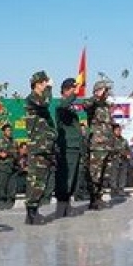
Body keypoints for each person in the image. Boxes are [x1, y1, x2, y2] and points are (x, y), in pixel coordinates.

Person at [24, 71, 57, 224]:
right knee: (35, 180)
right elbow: (45, 102)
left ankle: (34, 211)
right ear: (38, 84)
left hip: (45, 146)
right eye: (44, 82)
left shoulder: (40, 99)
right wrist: (49, 88)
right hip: (37, 146)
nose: (47, 84)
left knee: (41, 181)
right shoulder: (32, 98)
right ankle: (31, 212)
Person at [82, 80, 114, 209]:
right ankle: (93, 199)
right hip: (97, 146)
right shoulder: (92, 104)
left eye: (107, 91)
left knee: (104, 175)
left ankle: (99, 198)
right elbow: (85, 105)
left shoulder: (106, 106)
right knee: (95, 174)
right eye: (105, 90)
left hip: (107, 146)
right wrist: (97, 96)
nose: (107, 93)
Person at [54, 78, 84, 217]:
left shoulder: (69, 106)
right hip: (67, 147)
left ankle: (67, 205)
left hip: (75, 147)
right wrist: (74, 95)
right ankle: (61, 207)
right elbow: (64, 105)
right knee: (65, 177)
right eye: (72, 88)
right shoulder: (61, 105)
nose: (75, 91)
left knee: (73, 177)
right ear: (66, 90)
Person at [0, 123, 21, 210]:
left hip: (13, 169)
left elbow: (18, 154)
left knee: (12, 190)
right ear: (3, 132)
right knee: (2, 189)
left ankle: (10, 207)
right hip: (3, 168)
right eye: (8, 130)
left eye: (10, 130)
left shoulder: (14, 142)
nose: (10, 132)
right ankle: (2, 207)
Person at [108, 123, 130, 198]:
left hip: (123, 160)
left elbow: (128, 149)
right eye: (117, 130)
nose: (119, 132)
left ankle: (121, 190)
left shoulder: (124, 140)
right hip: (114, 160)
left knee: (122, 176)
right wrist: (119, 151)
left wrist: (127, 154)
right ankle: (113, 191)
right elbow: (109, 149)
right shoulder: (111, 139)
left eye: (120, 130)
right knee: (113, 177)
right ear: (113, 131)